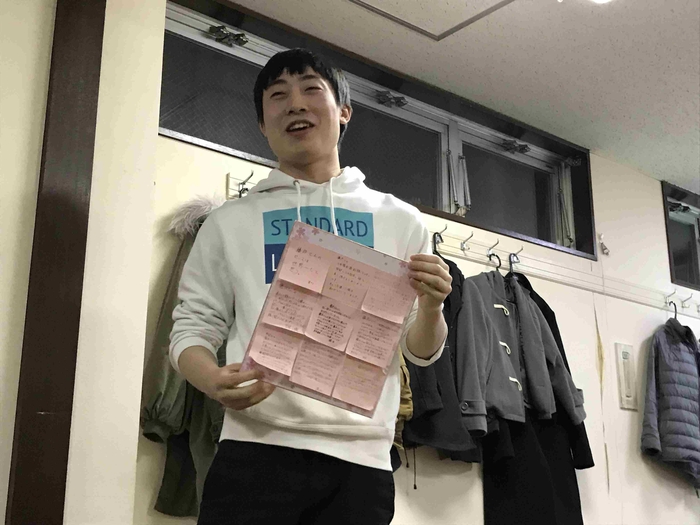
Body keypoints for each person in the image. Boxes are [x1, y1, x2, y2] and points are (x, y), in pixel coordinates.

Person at [170, 48, 452, 525]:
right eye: (278, 95)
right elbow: (190, 329)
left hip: (361, 460)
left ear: (344, 112)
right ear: (262, 124)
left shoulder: (400, 220)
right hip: (254, 449)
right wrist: (212, 381)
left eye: (311, 89)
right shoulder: (229, 222)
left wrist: (431, 309)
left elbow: (420, 352)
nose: (295, 104)